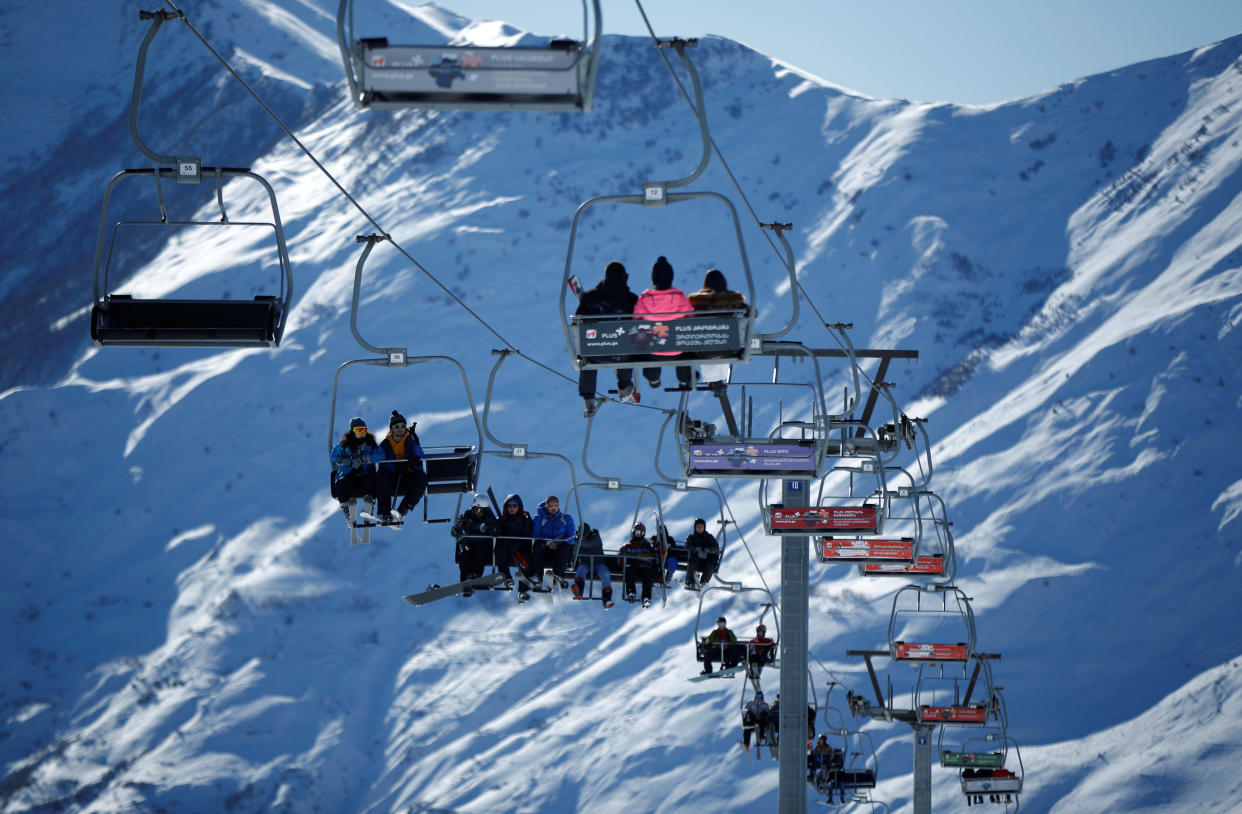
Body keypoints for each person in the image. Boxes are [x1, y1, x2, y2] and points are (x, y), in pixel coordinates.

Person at [576, 261, 640, 416]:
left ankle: (588, 398)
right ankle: (624, 385)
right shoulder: (631, 300)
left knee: (587, 354)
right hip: (622, 354)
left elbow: (578, 321)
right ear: (625, 277)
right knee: (626, 346)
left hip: (595, 353)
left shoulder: (590, 298)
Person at [635, 256, 694, 392]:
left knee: (649, 344)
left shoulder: (644, 299)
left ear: (653, 279)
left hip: (653, 351)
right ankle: (685, 378)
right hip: (678, 350)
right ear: (671, 277)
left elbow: (636, 322)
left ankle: (653, 376)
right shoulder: (680, 298)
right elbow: (691, 320)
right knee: (683, 346)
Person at [687, 268, 748, 388]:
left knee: (707, 341)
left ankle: (713, 380)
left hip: (703, 348)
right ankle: (716, 379)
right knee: (721, 341)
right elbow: (752, 313)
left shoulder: (698, 302)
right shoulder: (733, 301)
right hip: (728, 347)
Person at [330, 417, 384, 539]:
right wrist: (343, 460)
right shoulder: (344, 445)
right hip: (348, 475)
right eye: (358, 429)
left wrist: (366, 459)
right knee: (341, 486)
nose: (361, 432)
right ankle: (349, 511)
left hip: (364, 474)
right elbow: (334, 455)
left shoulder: (370, 443)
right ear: (352, 431)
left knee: (370, 482)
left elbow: (381, 454)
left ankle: (369, 505)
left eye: (363, 429)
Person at [377, 410, 427, 524]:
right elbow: (381, 460)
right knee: (382, 475)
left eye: (403, 426)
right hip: (393, 476)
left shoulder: (410, 442)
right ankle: (384, 512)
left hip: (408, 474)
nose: (400, 428)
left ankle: (402, 510)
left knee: (421, 479)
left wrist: (414, 462)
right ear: (391, 429)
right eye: (396, 426)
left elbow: (421, 458)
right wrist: (395, 466)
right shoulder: (385, 444)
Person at [450, 494, 498, 596]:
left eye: (482, 510)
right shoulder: (466, 515)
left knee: (480, 552)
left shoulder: (489, 517)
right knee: (464, 556)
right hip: (469, 545)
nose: (479, 513)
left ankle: (475, 576)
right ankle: (465, 582)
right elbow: (454, 532)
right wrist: (457, 528)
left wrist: (490, 528)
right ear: (473, 508)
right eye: (477, 509)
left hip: (484, 546)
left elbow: (496, 531)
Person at [530, 495, 576, 590]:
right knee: (538, 544)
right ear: (546, 506)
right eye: (551, 506)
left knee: (565, 546)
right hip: (545, 550)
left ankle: (558, 576)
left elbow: (571, 537)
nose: (553, 508)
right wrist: (548, 543)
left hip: (559, 551)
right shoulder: (539, 519)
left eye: (556, 505)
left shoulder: (566, 519)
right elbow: (536, 535)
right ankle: (537, 576)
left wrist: (558, 543)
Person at [494, 493, 532, 595]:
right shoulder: (502, 519)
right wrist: (495, 527)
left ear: (519, 506)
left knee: (525, 561)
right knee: (499, 550)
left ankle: (523, 590)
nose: (512, 508)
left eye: (514, 506)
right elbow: (497, 532)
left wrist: (515, 546)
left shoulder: (525, 517)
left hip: (521, 546)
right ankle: (507, 578)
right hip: (507, 546)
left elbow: (527, 533)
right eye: (509, 506)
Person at [572, 522, 613, 608]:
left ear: (589, 532)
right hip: (585, 563)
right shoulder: (578, 541)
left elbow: (588, 544)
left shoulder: (595, 537)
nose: (583, 536)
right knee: (581, 569)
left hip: (598, 563)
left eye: (584, 534)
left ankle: (607, 600)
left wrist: (575, 542)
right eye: (581, 534)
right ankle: (578, 590)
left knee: (605, 573)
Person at [619, 522, 658, 607]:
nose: (638, 535)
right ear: (633, 533)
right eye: (637, 533)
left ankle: (646, 597)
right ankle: (631, 592)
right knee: (629, 570)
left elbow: (655, 556)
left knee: (648, 576)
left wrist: (655, 550)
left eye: (640, 533)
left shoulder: (647, 546)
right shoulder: (627, 546)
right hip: (633, 567)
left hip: (645, 567)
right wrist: (623, 554)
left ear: (643, 534)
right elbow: (620, 561)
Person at [683, 518, 719, 590]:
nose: (699, 528)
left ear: (704, 527)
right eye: (698, 526)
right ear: (695, 527)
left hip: (706, 561)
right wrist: (696, 549)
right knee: (693, 560)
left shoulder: (709, 537)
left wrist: (708, 550)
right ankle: (689, 581)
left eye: (701, 526)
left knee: (712, 562)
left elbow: (715, 547)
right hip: (696, 561)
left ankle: (703, 582)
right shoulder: (691, 537)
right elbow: (687, 545)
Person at [741, 690, 770, 756]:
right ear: (755, 697)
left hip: (760, 721)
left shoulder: (765, 705)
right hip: (752, 720)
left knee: (764, 716)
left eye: (760, 696)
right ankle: (747, 744)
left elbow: (768, 713)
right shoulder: (750, 703)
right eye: (758, 696)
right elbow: (745, 710)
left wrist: (765, 715)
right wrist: (747, 714)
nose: (759, 697)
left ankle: (761, 737)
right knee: (747, 730)